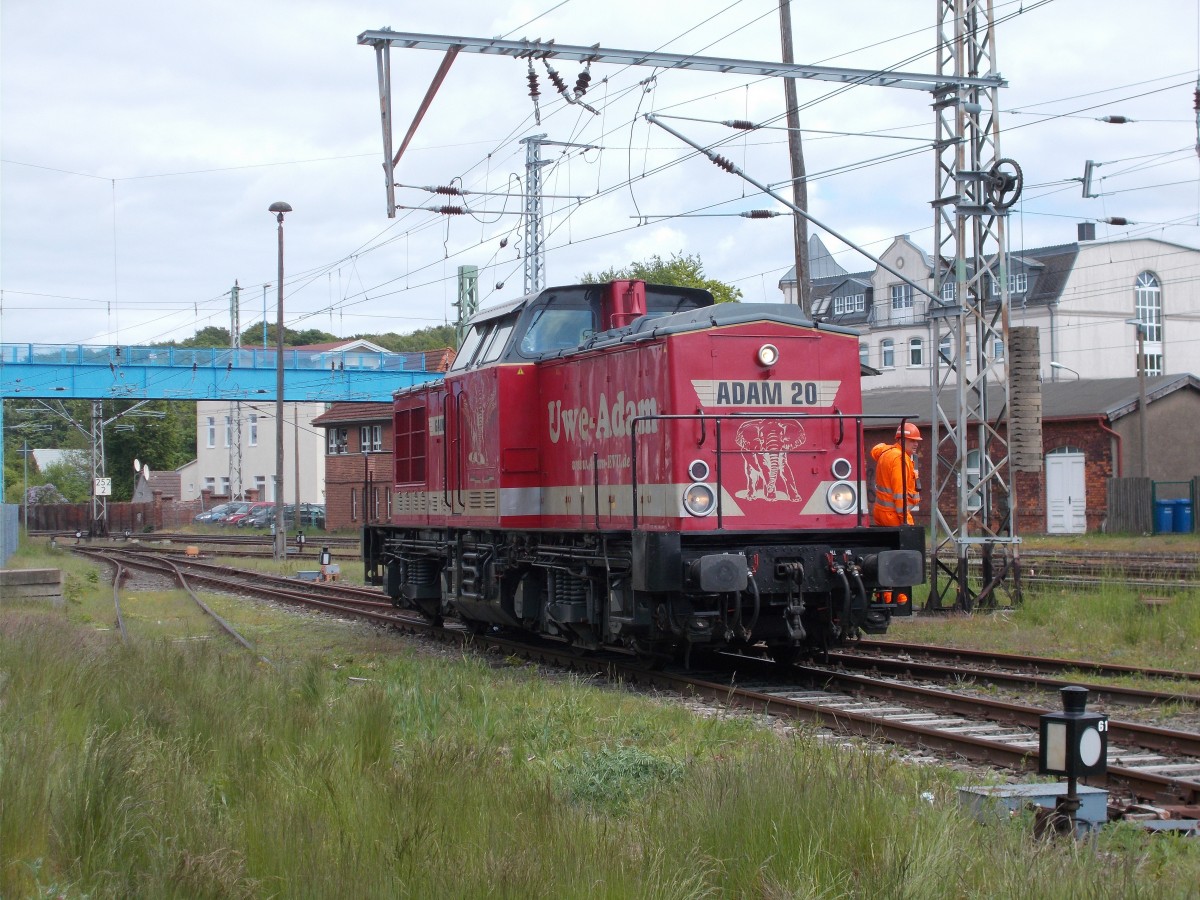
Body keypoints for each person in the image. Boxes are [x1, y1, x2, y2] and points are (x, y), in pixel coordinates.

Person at [872, 423, 922, 526]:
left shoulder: (887, 452)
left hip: (880, 513)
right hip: (893, 516)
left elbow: (875, 451)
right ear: (901, 440)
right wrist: (907, 522)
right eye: (912, 440)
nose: (916, 444)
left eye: (916, 441)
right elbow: (900, 495)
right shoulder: (900, 459)